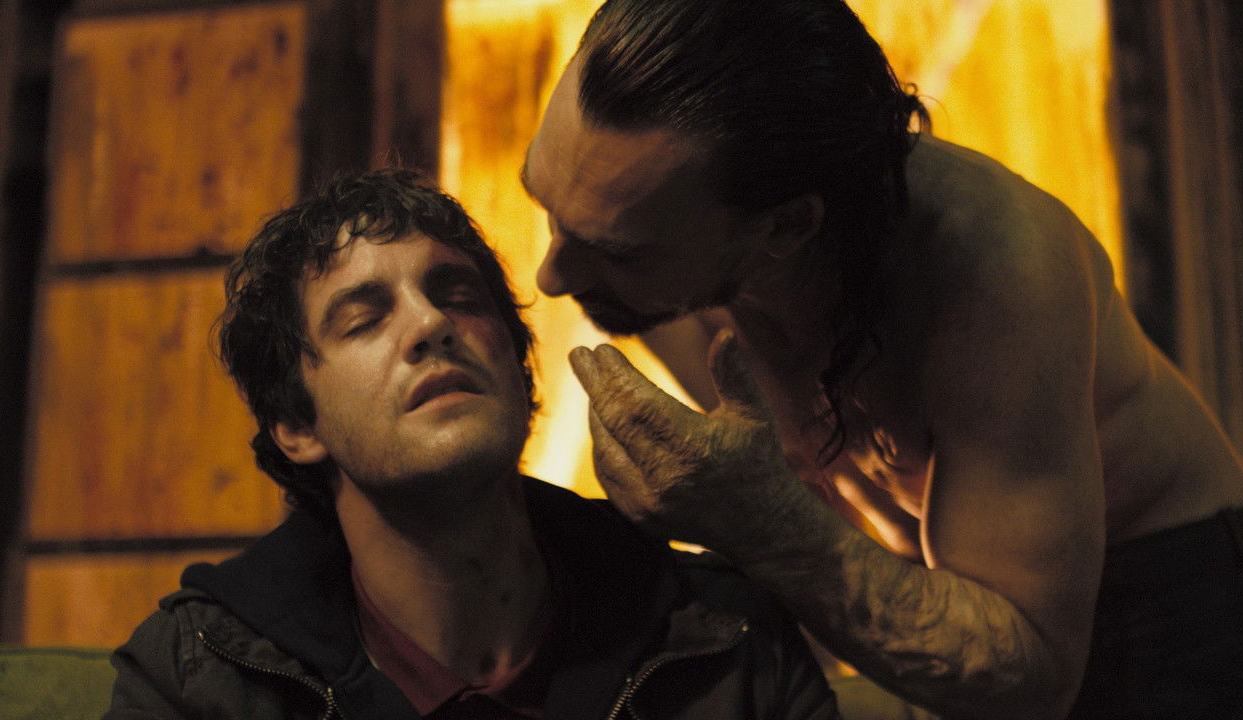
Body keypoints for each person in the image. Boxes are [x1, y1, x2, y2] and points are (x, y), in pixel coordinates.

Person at [519, 1, 1243, 718]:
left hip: (1163, 596)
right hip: (949, 608)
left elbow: (1033, 680)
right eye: (549, 211)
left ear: (787, 229)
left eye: (619, 253)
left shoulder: (995, 270)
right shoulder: (659, 229)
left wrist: (760, 522)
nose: (553, 276)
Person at [105, 168, 840, 719]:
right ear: (298, 427)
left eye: (458, 297)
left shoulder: (724, 641)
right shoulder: (201, 677)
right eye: (364, 320)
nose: (431, 325)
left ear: (518, 369)